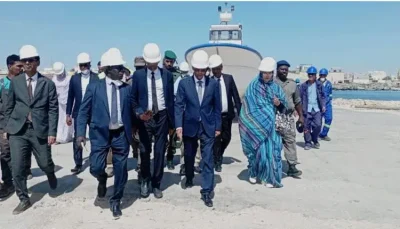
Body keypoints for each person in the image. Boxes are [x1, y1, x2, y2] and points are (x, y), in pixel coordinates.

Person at [76, 49, 133, 219]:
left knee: (121, 169)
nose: (122, 70)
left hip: (121, 134)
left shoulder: (126, 89)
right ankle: (102, 179)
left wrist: (141, 116)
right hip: (100, 134)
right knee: (95, 167)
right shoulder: (94, 88)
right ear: (108, 69)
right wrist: (80, 133)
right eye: (118, 67)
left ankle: (116, 200)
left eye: (122, 67)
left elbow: (133, 109)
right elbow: (83, 111)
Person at [4, 45, 59, 214]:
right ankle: (23, 199)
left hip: (39, 130)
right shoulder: (15, 82)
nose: (27, 63)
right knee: (18, 166)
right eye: (24, 60)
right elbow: (9, 106)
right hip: (18, 130)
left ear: (37, 62)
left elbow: (53, 109)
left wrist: (52, 132)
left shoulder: (47, 84)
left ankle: (50, 172)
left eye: (31, 60)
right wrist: (7, 127)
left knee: (44, 162)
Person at [175, 50, 221, 207]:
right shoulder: (184, 83)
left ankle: (206, 191)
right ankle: (189, 176)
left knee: (207, 159)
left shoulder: (214, 84)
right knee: (189, 155)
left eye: (203, 70)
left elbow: (217, 107)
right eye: (197, 69)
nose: (200, 73)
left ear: (207, 70)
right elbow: (179, 105)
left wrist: (218, 126)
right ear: (193, 68)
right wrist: (179, 125)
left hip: (208, 127)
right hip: (189, 125)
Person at [132, 43, 174, 199]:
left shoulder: (167, 76)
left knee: (159, 152)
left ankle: (156, 183)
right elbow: (133, 100)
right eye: (149, 62)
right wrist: (139, 115)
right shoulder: (137, 76)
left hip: (162, 117)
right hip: (145, 118)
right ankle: (145, 180)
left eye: (155, 62)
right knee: (144, 151)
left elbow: (170, 101)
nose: (152, 65)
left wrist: (172, 124)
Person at [238, 57, 287, 188]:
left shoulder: (276, 88)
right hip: (255, 126)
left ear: (273, 73)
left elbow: (284, 108)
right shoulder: (253, 86)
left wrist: (279, 103)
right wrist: (247, 122)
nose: (267, 75)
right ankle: (253, 173)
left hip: (271, 127)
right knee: (256, 151)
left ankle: (269, 178)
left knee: (272, 152)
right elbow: (247, 107)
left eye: (269, 72)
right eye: (264, 72)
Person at [0, 54, 32, 200]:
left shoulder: (24, 83)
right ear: (9, 66)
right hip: (4, 126)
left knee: (22, 153)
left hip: (21, 124)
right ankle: (8, 183)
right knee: (5, 153)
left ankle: (22, 175)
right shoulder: (2, 84)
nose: (22, 68)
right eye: (19, 66)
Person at [66, 52, 99, 175]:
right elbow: (70, 97)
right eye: (81, 66)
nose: (84, 68)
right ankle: (78, 163)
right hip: (79, 113)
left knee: (95, 137)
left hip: (94, 112)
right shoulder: (74, 79)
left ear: (90, 64)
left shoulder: (97, 78)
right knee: (78, 138)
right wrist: (68, 114)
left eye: (86, 65)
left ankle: (95, 159)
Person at [208, 54, 242, 172]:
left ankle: (219, 153)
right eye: (214, 69)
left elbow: (236, 96)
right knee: (216, 139)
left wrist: (241, 113)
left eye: (218, 68)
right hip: (214, 117)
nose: (216, 71)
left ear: (222, 67)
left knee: (227, 138)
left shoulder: (229, 79)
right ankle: (217, 161)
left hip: (227, 115)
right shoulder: (209, 81)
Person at [275, 60, 303, 177]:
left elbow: (297, 101)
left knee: (290, 141)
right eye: (282, 69)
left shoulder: (292, 84)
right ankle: (274, 167)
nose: (284, 71)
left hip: (288, 117)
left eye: (286, 69)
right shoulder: (271, 83)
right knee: (274, 142)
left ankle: (292, 166)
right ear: (277, 69)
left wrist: (301, 116)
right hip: (274, 117)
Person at [299, 66, 326, 150]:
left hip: (317, 109)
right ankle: (308, 142)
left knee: (318, 125)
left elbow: (323, 96)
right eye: (309, 74)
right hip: (306, 109)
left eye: (312, 74)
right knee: (306, 127)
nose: (310, 76)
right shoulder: (303, 86)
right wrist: (298, 110)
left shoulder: (319, 85)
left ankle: (314, 139)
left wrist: (324, 105)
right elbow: (299, 98)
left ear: (315, 75)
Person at [163, 50, 180, 170]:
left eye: (171, 62)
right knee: (161, 137)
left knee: (173, 137)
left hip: (173, 110)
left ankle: (169, 158)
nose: (169, 64)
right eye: (167, 61)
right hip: (161, 110)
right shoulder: (158, 73)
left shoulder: (177, 75)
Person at [52, 62, 73, 144]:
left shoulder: (69, 78)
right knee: (60, 120)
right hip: (59, 103)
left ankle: (68, 136)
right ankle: (60, 137)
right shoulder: (54, 79)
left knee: (68, 119)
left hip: (69, 102)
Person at [318, 68, 333, 141]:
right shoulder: (316, 83)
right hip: (318, 105)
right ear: (319, 75)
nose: (322, 76)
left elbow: (330, 94)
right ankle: (316, 134)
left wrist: (327, 101)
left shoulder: (329, 84)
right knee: (317, 121)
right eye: (321, 75)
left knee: (329, 119)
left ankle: (324, 134)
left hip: (327, 105)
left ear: (326, 75)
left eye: (324, 75)